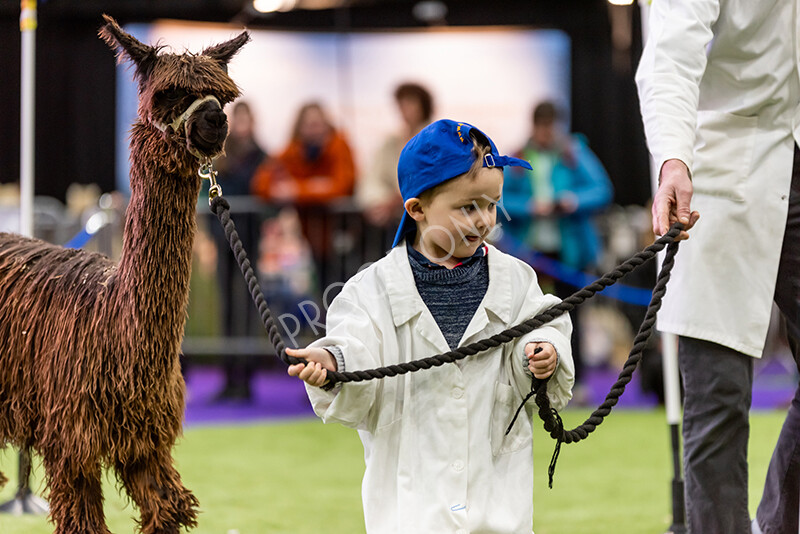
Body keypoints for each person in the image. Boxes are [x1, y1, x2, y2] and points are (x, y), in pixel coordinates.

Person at [285, 119, 575, 533]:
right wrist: (331, 362)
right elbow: (355, 347)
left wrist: (542, 350)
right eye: (467, 207)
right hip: (410, 514)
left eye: (492, 204)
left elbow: (542, 324)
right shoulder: (371, 290)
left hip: (498, 511)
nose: (483, 220)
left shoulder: (517, 279)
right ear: (417, 210)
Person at [635, 2, 800, 533]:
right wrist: (673, 158)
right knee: (718, 399)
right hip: (720, 168)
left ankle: (777, 526)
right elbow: (670, 57)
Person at [502, 101, 612, 398]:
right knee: (526, 318)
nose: (546, 133)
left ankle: (576, 384)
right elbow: (499, 201)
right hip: (529, 253)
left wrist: (571, 201)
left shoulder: (574, 152)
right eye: (542, 126)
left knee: (572, 317)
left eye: (551, 126)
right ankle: (523, 383)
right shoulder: (518, 157)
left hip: (569, 252)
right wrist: (528, 207)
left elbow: (602, 190)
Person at [251, 101, 356, 292]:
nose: (314, 130)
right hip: (313, 239)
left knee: (347, 286)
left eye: (318, 124)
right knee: (324, 290)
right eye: (309, 125)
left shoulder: (339, 145)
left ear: (326, 125)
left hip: (344, 233)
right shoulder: (293, 151)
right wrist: (316, 187)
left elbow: (341, 187)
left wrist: (297, 191)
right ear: (299, 128)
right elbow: (262, 183)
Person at [207, 100, 267, 400]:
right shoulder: (218, 158)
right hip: (223, 240)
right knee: (227, 308)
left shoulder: (262, 157)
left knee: (247, 308)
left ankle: (245, 378)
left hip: (250, 241)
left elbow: (261, 192)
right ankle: (229, 378)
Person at [356, 82, 435, 232]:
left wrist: (399, 199)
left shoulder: (437, 140)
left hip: (430, 220)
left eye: (410, 103)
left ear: (423, 105)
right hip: (394, 222)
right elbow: (372, 179)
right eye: (401, 104)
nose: (405, 109)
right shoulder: (391, 142)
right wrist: (379, 202)